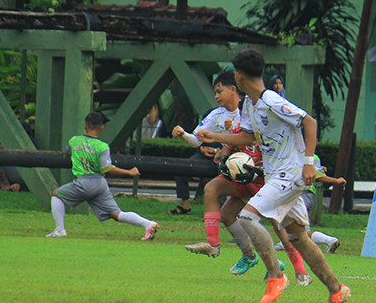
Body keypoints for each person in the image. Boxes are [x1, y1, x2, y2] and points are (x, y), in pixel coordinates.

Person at [199, 49, 350, 303]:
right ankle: (337, 290)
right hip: (275, 174)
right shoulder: (250, 105)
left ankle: (276, 277)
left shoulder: (271, 100)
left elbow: (309, 122)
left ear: (239, 75)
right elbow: (251, 138)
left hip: (290, 174)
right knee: (299, 237)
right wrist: (216, 137)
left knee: (246, 217)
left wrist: (308, 162)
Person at [186, 70, 312, 286]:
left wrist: (304, 163)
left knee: (282, 229)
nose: (217, 97)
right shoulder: (241, 118)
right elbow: (235, 141)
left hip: (266, 179)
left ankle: (300, 272)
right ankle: (234, 251)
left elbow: (271, 142)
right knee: (217, 197)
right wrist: (224, 156)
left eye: (220, 91)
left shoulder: (268, 110)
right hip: (245, 179)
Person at [46, 111, 159, 240]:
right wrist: (129, 172)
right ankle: (148, 224)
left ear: (85, 125)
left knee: (56, 195)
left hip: (84, 181)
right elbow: (106, 167)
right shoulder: (102, 146)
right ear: (102, 127)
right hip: (100, 183)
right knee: (117, 214)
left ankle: (60, 229)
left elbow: (67, 154)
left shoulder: (74, 140)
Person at [168, 92, 226, 215]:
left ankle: (223, 210)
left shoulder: (239, 115)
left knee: (222, 176)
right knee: (181, 169)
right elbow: (197, 139)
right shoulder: (212, 114)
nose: (217, 96)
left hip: (223, 155)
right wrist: (200, 147)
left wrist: (218, 151)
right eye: (215, 92)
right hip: (204, 154)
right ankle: (185, 206)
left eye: (220, 92)